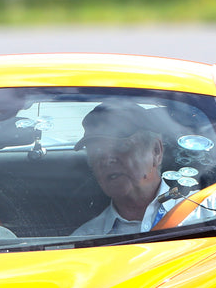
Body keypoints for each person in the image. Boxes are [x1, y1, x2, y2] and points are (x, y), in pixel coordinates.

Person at [71, 101, 204, 236]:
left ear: (156, 151)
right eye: (96, 151)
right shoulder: (85, 240)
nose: (107, 159)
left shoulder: (206, 212)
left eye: (121, 146)